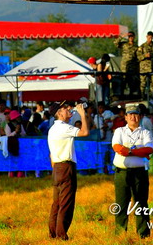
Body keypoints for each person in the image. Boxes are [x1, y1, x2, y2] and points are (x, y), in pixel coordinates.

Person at [47, 101, 89, 240]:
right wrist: (82, 115)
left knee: (57, 203)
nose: (69, 109)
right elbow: (84, 132)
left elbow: (51, 155)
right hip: (66, 166)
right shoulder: (64, 127)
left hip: (57, 167)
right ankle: (61, 235)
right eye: (65, 108)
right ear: (59, 113)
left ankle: (53, 233)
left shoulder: (52, 129)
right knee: (66, 203)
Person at [112, 104, 153, 236]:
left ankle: (144, 234)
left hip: (139, 172)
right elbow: (117, 147)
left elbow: (149, 149)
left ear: (140, 116)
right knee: (121, 204)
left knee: (141, 203)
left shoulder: (145, 132)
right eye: (130, 114)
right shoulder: (119, 131)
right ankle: (120, 233)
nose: (133, 117)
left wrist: (128, 151)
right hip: (122, 172)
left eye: (135, 114)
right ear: (125, 117)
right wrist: (137, 151)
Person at [114, 30, 139, 98]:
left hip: (133, 67)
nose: (130, 38)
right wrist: (121, 37)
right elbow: (116, 43)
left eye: (132, 36)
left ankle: (131, 95)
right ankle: (121, 95)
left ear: (134, 37)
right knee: (123, 81)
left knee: (132, 82)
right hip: (125, 66)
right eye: (129, 36)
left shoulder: (136, 46)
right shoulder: (124, 44)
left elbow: (138, 56)